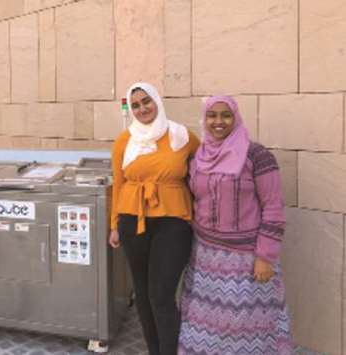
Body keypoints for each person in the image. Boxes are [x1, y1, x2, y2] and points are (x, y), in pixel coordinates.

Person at [178, 96, 293, 354]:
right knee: (206, 330)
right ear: (204, 119)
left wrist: (265, 256)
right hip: (205, 260)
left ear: (236, 118)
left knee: (248, 327)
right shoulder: (197, 157)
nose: (218, 121)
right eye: (212, 115)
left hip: (246, 260)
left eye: (226, 115)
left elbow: (273, 207)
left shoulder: (257, 156)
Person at [109, 82, 200, 355]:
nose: (142, 109)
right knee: (144, 296)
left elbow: (205, 169)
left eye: (146, 101)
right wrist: (114, 224)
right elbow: (119, 183)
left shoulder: (182, 136)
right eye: (135, 105)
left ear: (157, 101)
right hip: (132, 219)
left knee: (161, 294)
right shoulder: (125, 140)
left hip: (173, 221)